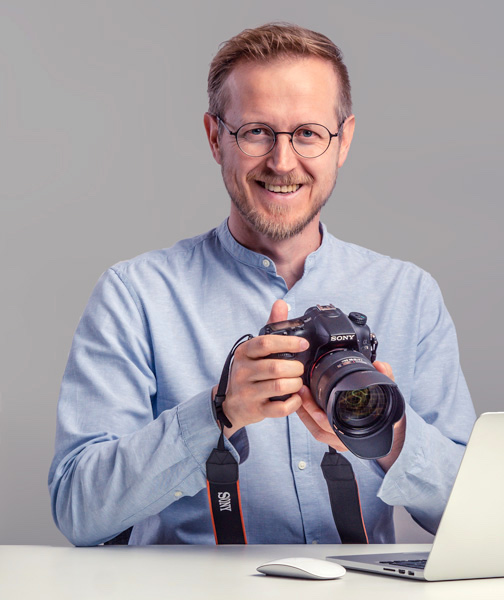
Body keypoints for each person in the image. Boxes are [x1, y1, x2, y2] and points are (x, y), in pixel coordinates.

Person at [48, 23, 476, 546]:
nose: (282, 161)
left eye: (308, 133)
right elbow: (78, 510)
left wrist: (389, 433)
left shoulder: (408, 295)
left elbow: (478, 515)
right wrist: (217, 412)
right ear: (214, 138)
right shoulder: (136, 295)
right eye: (255, 131)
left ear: (342, 143)